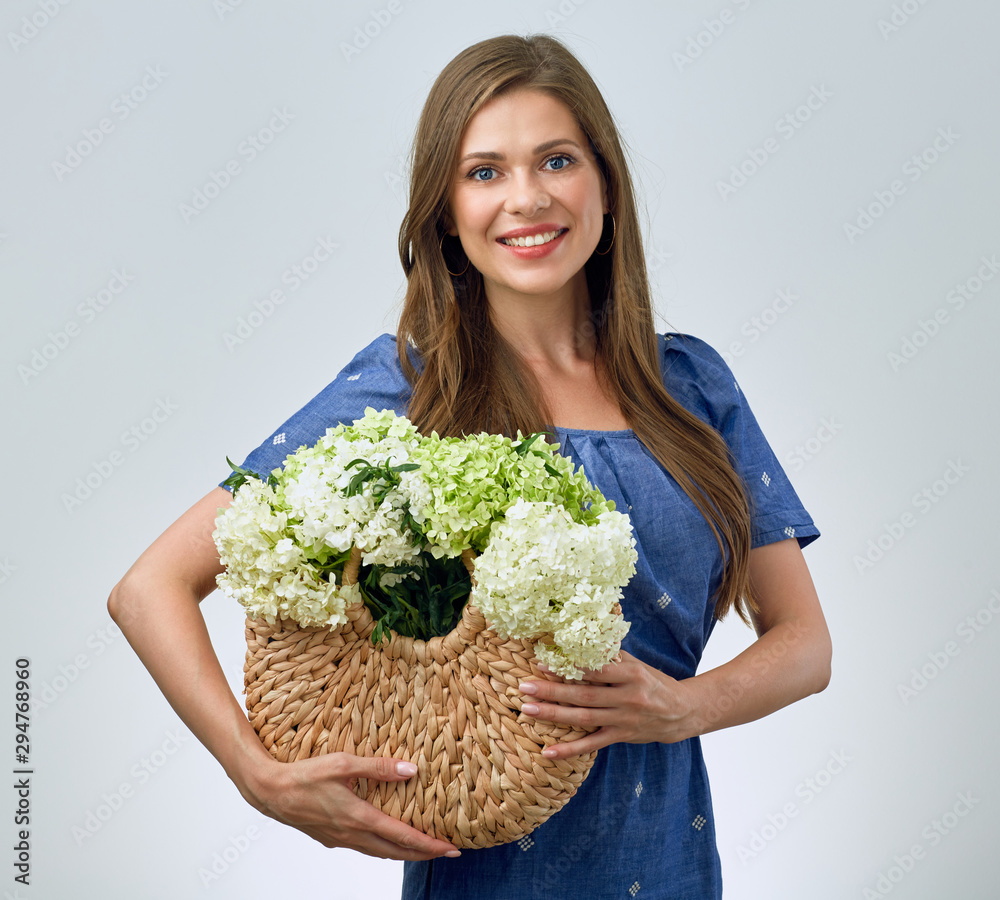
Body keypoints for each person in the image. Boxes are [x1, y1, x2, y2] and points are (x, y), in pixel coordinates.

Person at [109, 33, 831, 899]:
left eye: (556, 160)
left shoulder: (691, 386)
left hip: (666, 864)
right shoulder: (406, 386)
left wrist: (684, 708)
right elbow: (148, 588)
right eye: (484, 172)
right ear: (445, 211)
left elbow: (804, 644)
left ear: (604, 184)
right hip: (480, 874)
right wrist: (255, 774)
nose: (526, 199)